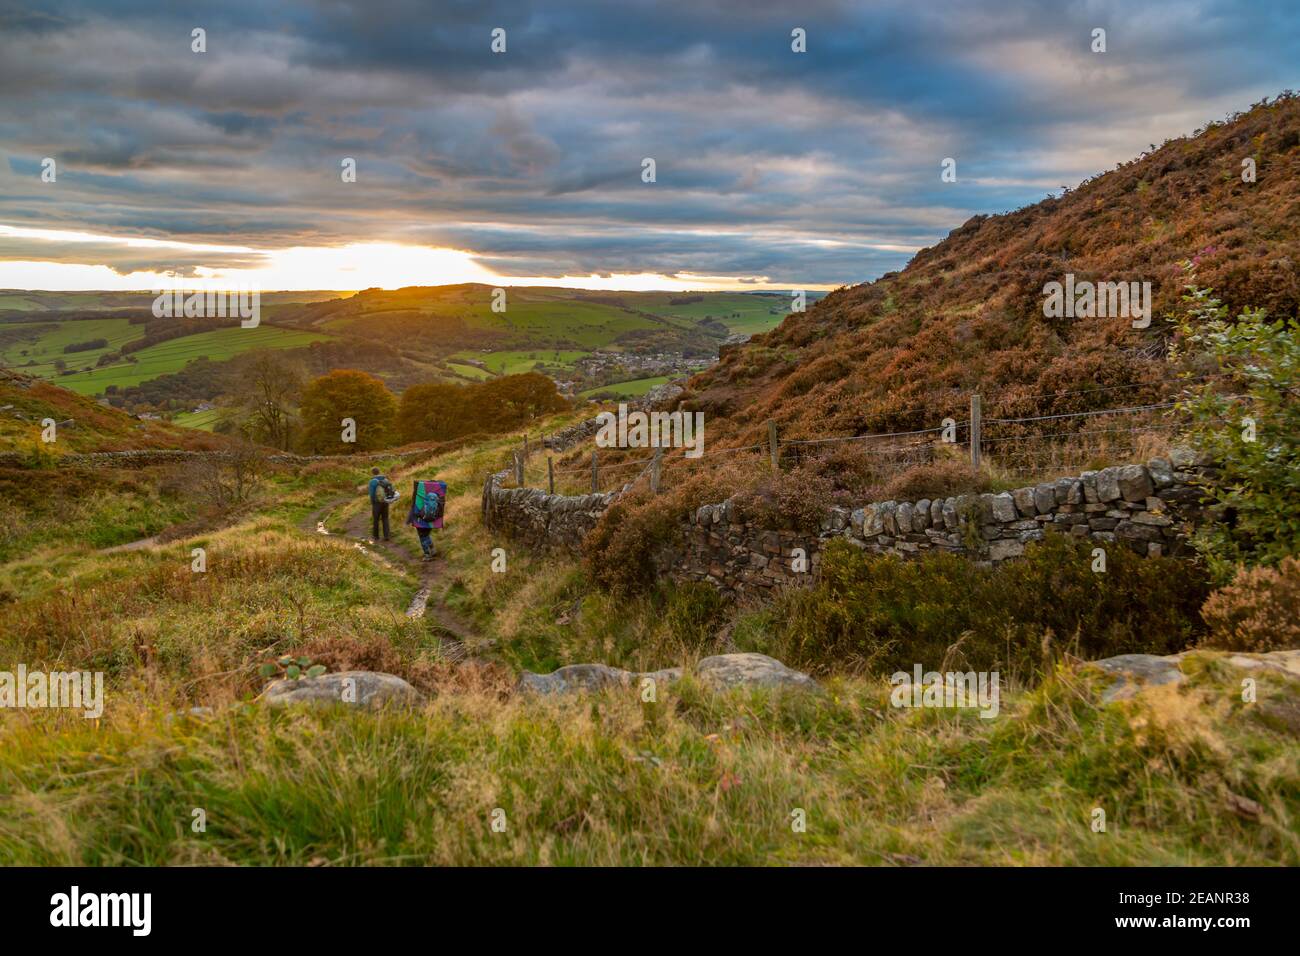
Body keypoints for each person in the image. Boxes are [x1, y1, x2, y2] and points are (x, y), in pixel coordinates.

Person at [407, 478, 446, 561]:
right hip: (433, 519)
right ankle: (433, 549)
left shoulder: (419, 493)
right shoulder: (438, 496)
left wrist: (412, 517)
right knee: (426, 534)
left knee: (422, 536)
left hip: (420, 519)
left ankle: (427, 555)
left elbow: (416, 508)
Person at [367, 467, 395, 540]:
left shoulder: (372, 481)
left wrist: (372, 502)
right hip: (385, 502)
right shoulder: (385, 479)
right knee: (385, 518)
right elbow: (391, 489)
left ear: (372, 473)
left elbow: (372, 494)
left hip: (377, 503)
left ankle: (376, 536)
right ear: (379, 472)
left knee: (376, 519)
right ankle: (387, 536)